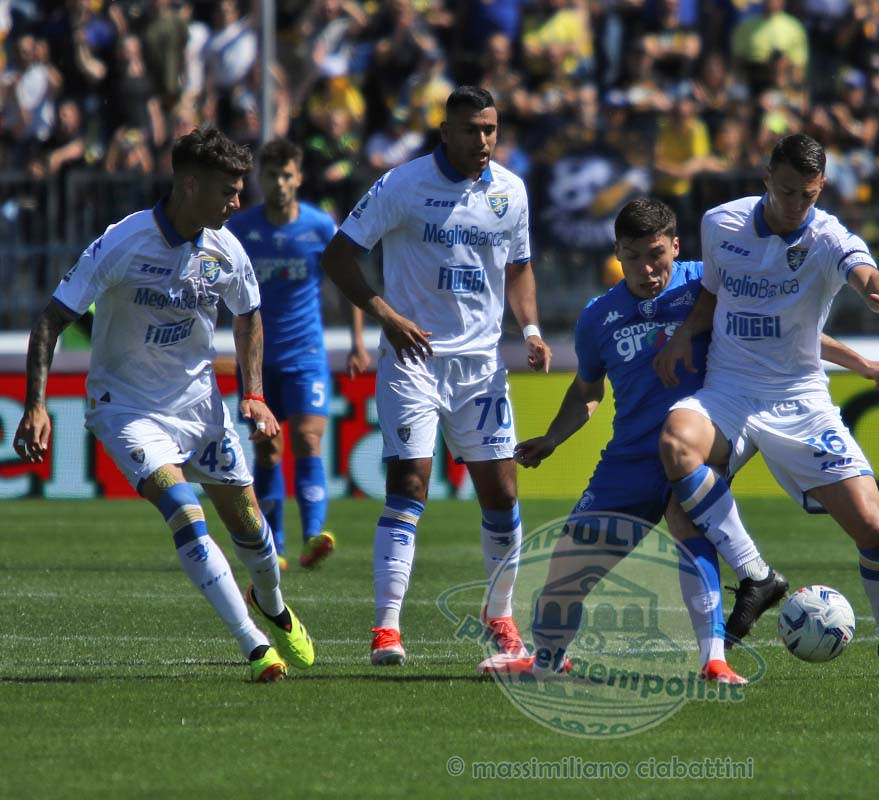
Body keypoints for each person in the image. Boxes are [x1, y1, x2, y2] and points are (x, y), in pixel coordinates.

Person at [478, 197, 879, 683]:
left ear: (676, 246)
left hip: (697, 443)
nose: (646, 268)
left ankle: (714, 659)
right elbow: (588, 391)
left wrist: (861, 364)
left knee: (688, 525)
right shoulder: (598, 317)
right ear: (617, 253)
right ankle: (549, 659)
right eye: (632, 256)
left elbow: (781, 333)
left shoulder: (705, 284)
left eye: (656, 254)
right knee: (565, 575)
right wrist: (553, 438)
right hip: (630, 459)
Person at [10, 127, 314, 682]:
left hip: (200, 408)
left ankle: (271, 604)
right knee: (184, 511)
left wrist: (253, 393)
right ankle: (253, 646)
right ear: (190, 184)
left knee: (250, 527)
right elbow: (52, 319)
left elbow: (248, 314)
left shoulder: (226, 248)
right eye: (228, 191)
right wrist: (36, 404)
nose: (237, 203)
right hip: (127, 409)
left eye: (239, 191)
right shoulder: (122, 242)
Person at [653, 133, 879, 679]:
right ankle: (756, 574)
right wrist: (682, 337)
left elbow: (866, 276)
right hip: (730, 388)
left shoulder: (828, 237)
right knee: (676, 441)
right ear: (767, 177)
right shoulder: (721, 223)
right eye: (787, 191)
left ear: (821, 188)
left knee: (872, 527)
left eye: (808, 195)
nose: (796, 205)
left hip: (800, 398)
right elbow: (713, 296)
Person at [320, 85, 551, 667]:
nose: (483, 140)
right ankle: (386, 627)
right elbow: (338, 256)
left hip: (481, 368)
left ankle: (501, 615)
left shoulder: (511, 191)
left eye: (490, 129)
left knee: (502, 493)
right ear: (444, 131)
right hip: (413, 360)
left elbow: (520, 268)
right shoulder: (402, 185)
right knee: (409, 486)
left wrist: (530, 330)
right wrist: (386, 316)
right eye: (471, 129)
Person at [226, 137, 369, 570]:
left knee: (308, 440)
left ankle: (313, 536)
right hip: (257, 360)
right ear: (260, 178)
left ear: (299, 178)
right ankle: (276, 546)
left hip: (306, 354)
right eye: (271, 175)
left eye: (287, 175)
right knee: (267, 450)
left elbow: (348, 280)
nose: (279, 183)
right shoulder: (241, 229)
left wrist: (357, 342)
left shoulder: (320, 227)